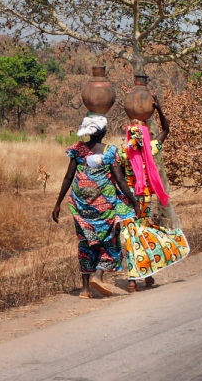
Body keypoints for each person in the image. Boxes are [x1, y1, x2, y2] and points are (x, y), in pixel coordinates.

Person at [52, 115, 141, 299]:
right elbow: (120, 180)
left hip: (81, 206)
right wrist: (133, 201)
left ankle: (85, 289)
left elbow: (68, 178)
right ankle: (99, 276)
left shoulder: (78, 150)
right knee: (110, 243)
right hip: (104, 208)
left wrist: (58, 203)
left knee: (86, 243)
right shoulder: (110, 152)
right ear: (103, 131)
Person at [120, 94, 190, 292]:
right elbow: (166, 129)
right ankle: (147, 273)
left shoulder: (123, 153)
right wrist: (158, 109)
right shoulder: (151, 148)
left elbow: (116, 176)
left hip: (128, 199)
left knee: (133, 235)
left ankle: (135, 278)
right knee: (142, 232)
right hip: (145, 198)